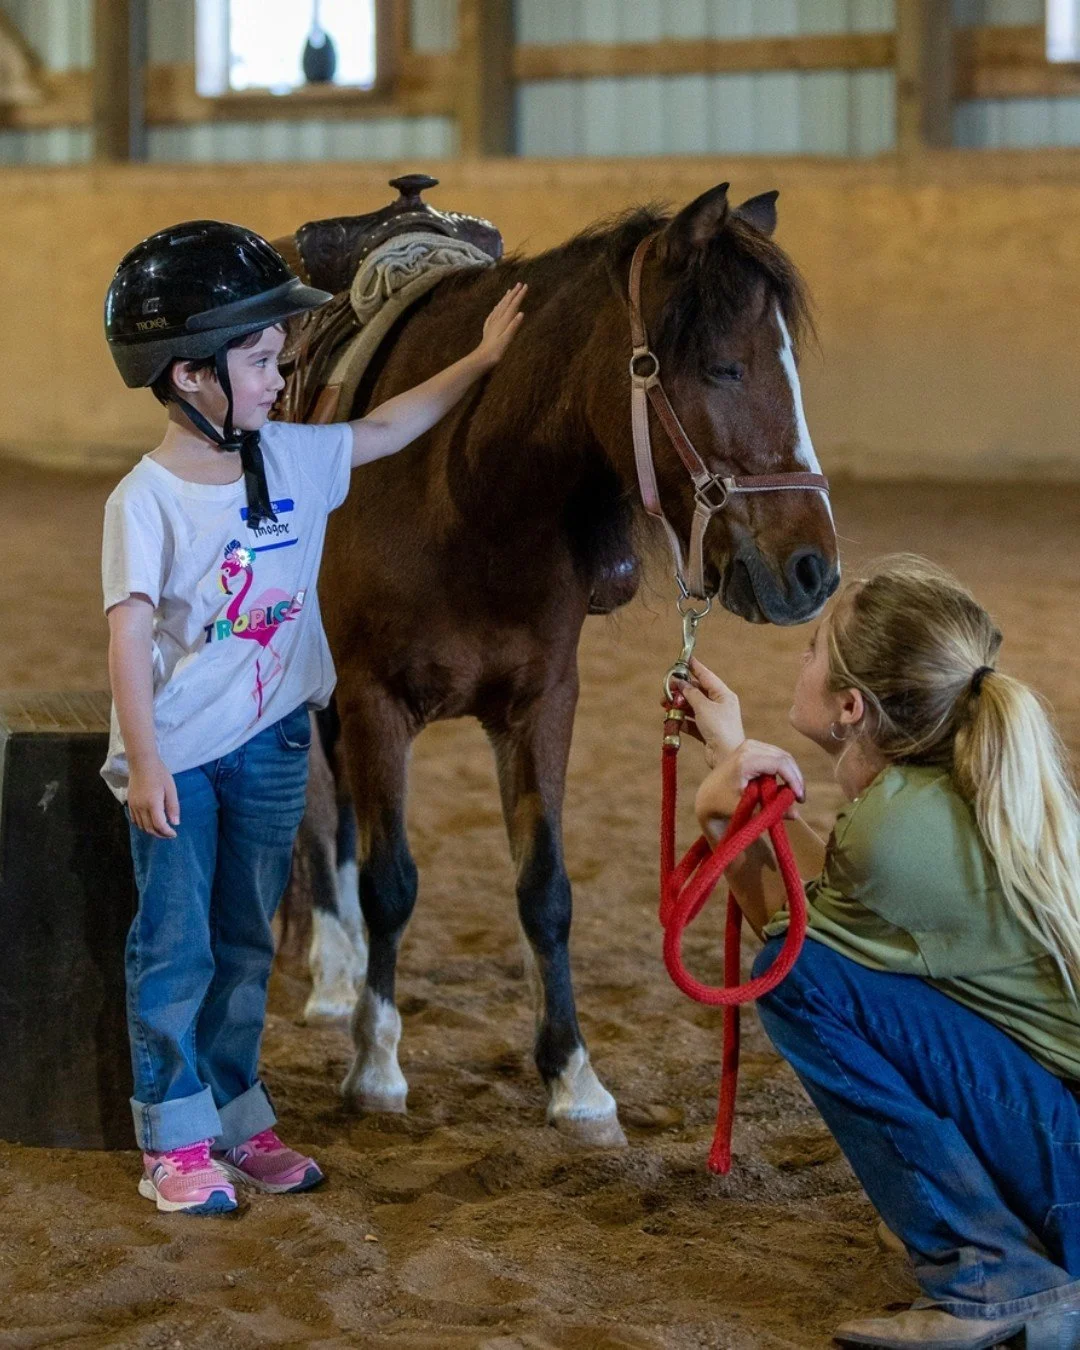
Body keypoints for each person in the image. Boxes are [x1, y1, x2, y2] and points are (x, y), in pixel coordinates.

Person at [101, 220, 525, 1215]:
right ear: (187, 376)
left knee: (248, 940)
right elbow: (126, 638)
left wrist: (483, 357)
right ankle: (173, 1139)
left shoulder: (289, 455)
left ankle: (237, 1112)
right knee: (174, 948)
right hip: (180, 761)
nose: (279, 377)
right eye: (258, 361)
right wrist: (148, 762)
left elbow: (384, 431)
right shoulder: (146, 500)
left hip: (274, 746)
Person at [679, 555, 1080, 1350]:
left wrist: (722, 816)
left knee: (796, 983)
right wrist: (732, 754)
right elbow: (837, 889)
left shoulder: (892, 832)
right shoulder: (960, 782)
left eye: (814, 650)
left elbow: (793, 942)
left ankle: (992, 1275)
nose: (802, 658)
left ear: (852, 707)